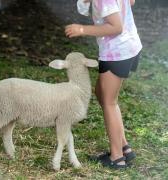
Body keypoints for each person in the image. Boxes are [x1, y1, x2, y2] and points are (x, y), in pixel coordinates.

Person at [65, 0, 141, 169]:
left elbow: (116, 27)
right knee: (101, 93)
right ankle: (124, 148)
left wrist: (82, 29)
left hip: (118, 51)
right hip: (129, 45)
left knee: (109, 102)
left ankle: (117, 158)